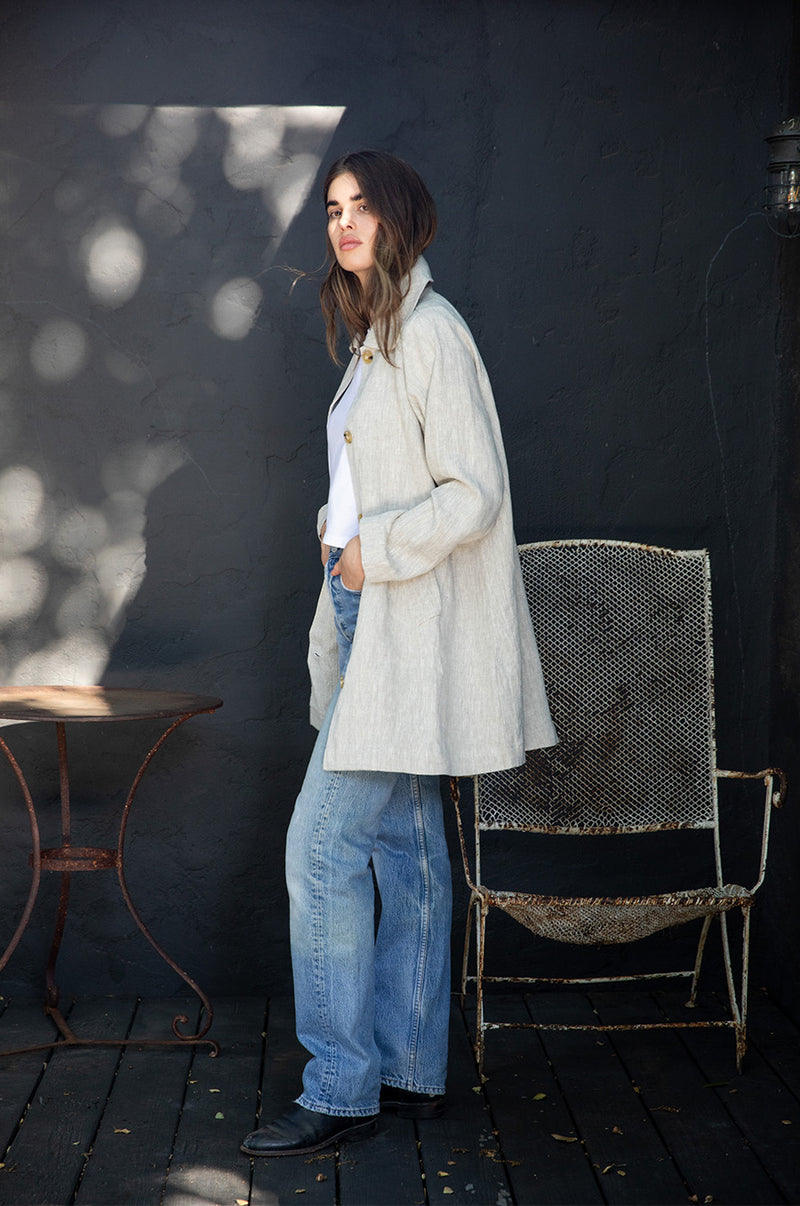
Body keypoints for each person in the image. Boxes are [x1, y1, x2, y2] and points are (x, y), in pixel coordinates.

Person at [241, 150, 557, 1159]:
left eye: (358, 206)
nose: (340, 223)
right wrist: (338, 534)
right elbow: (376, 470)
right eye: (329, 209)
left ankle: (340, 1087)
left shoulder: (431, 332)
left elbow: (473, 490)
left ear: (398, 216)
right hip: (363, 611)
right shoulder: (378, 336)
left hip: (399, 622)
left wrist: (375, 550)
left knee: (322, 847)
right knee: (406, 849)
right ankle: (413, 1071)